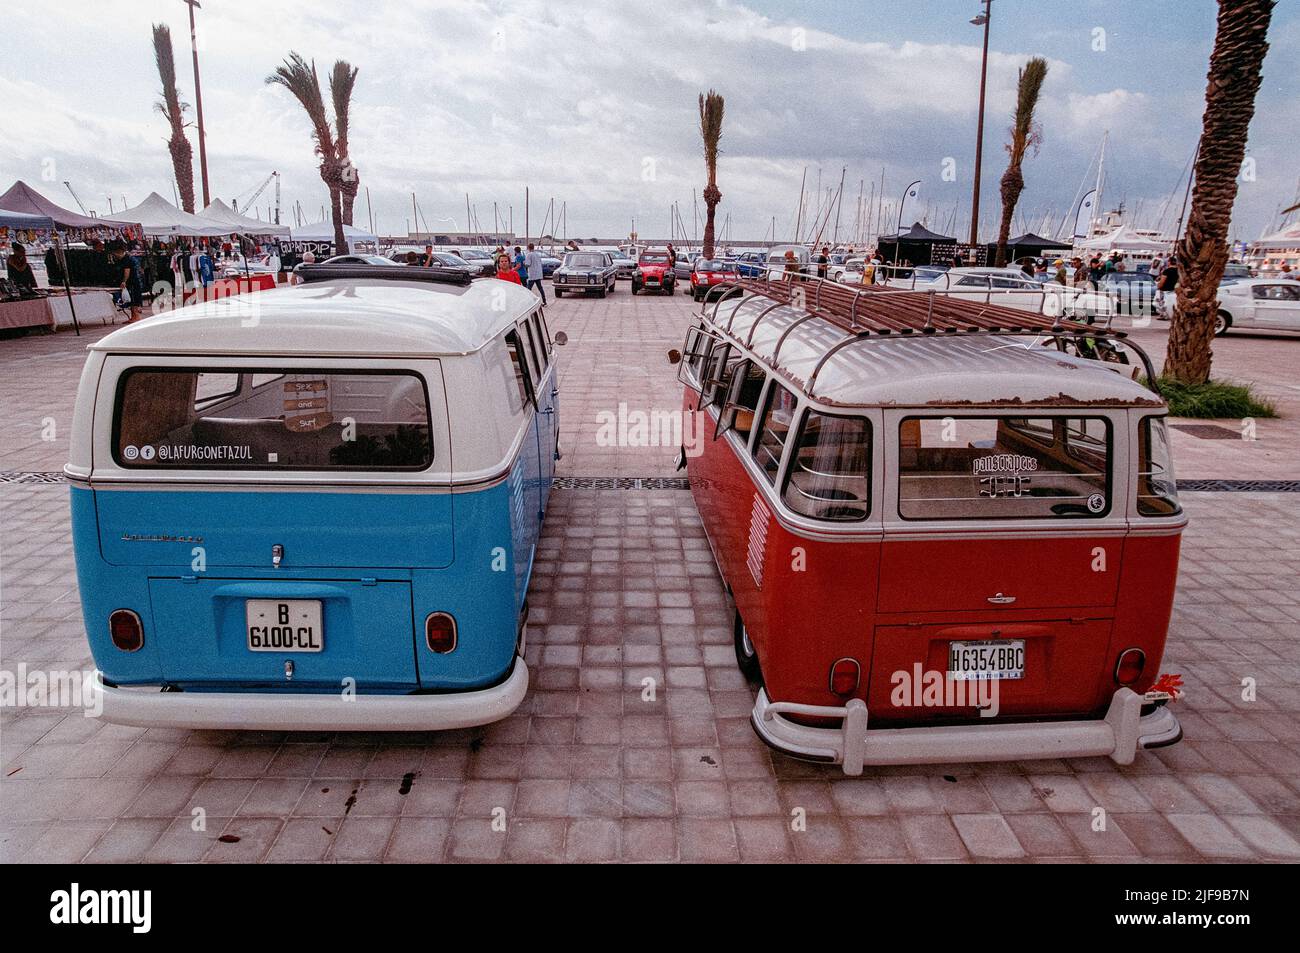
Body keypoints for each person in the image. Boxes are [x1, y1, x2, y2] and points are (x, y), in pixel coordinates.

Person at [108, 239, 144, 323]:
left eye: (116, 253)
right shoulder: (127, 258)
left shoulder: (127, 259)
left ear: (119, 252)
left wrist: (124, 281)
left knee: (134, 299)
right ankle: (133, 317)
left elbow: (127, 271)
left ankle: (136, 316)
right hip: (134, 282)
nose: (115, 255)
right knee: (132, 299)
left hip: (133, 282)